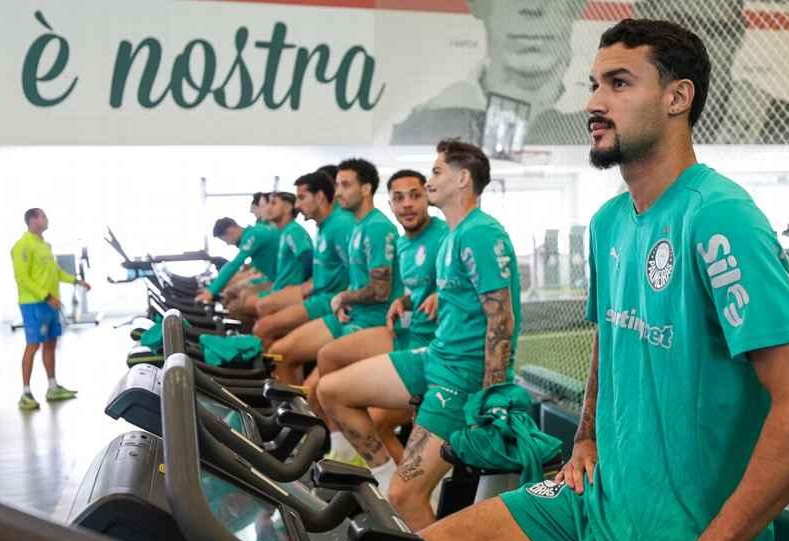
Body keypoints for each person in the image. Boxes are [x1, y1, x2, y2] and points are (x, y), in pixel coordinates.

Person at [375, 19, 789, 541]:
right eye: (594, 84)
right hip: (594, 500)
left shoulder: (719, 216)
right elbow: (609, 338)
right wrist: (586, 435)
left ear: (678, 97)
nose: (594, 104)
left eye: (619, 83)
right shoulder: (608, 222)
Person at [318, 139, 521, 530]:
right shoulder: (454, 235)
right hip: (433, 357)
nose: (429, 181)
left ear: (462, 179)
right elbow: (461, 301)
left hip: (460, 376)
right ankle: (381, 484)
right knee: (332, 390)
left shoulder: (479, 232)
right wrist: (411, 301)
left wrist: (491, 398)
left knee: (406, 496)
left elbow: (502, 320)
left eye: (436, 172)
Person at [317, 169, 448, 485]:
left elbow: (460, 284)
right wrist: (402, 301)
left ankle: (393, 482)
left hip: (433, 347)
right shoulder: (403, 243)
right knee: (327, 362)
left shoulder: (446, 235)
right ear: (389, 203)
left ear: (427, 196)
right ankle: (380, 473)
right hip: (406, 332)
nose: (407, 204)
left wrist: (441, 295)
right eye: (399, 198)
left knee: (351, 406)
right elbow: (411, 289)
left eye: (415, 195)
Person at [270, 158, 399, 386]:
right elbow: (356, 278)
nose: (337, 193)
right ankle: (293, 417)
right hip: (351, 313)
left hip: (372, 320)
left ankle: (310, 419)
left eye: (345, 185)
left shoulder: (377, 227)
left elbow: (380, 290)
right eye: (337, 185)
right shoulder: (359, 226)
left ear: (366, 189)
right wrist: (344, 301)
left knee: (315, 393)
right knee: (278, 353)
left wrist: (343, 296)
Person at [390, 0, 589, 145]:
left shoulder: (603, 118)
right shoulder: (424, 124)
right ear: (477, 4)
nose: (533, 7)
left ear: (579, 4)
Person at [252, 170, 353, 345]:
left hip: (329, 299)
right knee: (262, 310)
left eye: (301, 198)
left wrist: (345, 299)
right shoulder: (323, 226)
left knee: (263, 326)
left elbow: (354, 270)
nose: (297, 205)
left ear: (320, 196)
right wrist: (309, 285)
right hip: (318, 293)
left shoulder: (340, 224)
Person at [12, 208, 90, 411]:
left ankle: (52, 387)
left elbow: (55, 272)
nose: (47, 219)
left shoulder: (44, 245)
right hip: (33, 303)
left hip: (50, 302)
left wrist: (76, 281)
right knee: (33, 345)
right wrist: (46, 297)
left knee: (50, 343)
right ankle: (26, 393)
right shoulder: (22, 246)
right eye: (43, 216)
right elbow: (22, 278)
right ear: (33, 220)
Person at [245, 191, 314, 318]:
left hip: (288, 290)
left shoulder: (293, 231)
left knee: (246, 303)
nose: (268, 208)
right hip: (278, 287)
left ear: (288, 208)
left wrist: (300, 286)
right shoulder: (284, 231)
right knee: (245, 299)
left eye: (273, 203)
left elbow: (308, 257)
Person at [196, 216, 280, 305]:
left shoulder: (253, 236)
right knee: (235, 292)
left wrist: (211, 291)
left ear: (230, 231)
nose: (228, 244)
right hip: (275, 277)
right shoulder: (255, 231)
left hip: (283, 281)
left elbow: (234, 264)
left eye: (225, 240)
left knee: (243, 299)